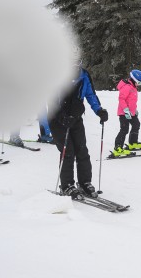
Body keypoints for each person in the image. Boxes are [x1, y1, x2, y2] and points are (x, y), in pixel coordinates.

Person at [48, 63, 109, 197]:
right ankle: (66, 185)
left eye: (78, 63)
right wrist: (62, 117)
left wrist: (99, 110)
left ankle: (84, 182)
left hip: (75, 117)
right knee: (68, 151)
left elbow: (91, 94)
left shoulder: (84, 75)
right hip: (57, 119)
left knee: (82, 150)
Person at [111, 69, 141, 157]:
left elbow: (132, 101)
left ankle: (133, 143)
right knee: (124, 129)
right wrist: (126, 110)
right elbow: (121, 99)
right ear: (134, 80)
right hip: (124, 113)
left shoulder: (133, 87)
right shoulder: (127, 87)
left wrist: (134, 110)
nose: (139, 85)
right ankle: (118, 148)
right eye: (139, 83)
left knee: (136, 125)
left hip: (131, 112)